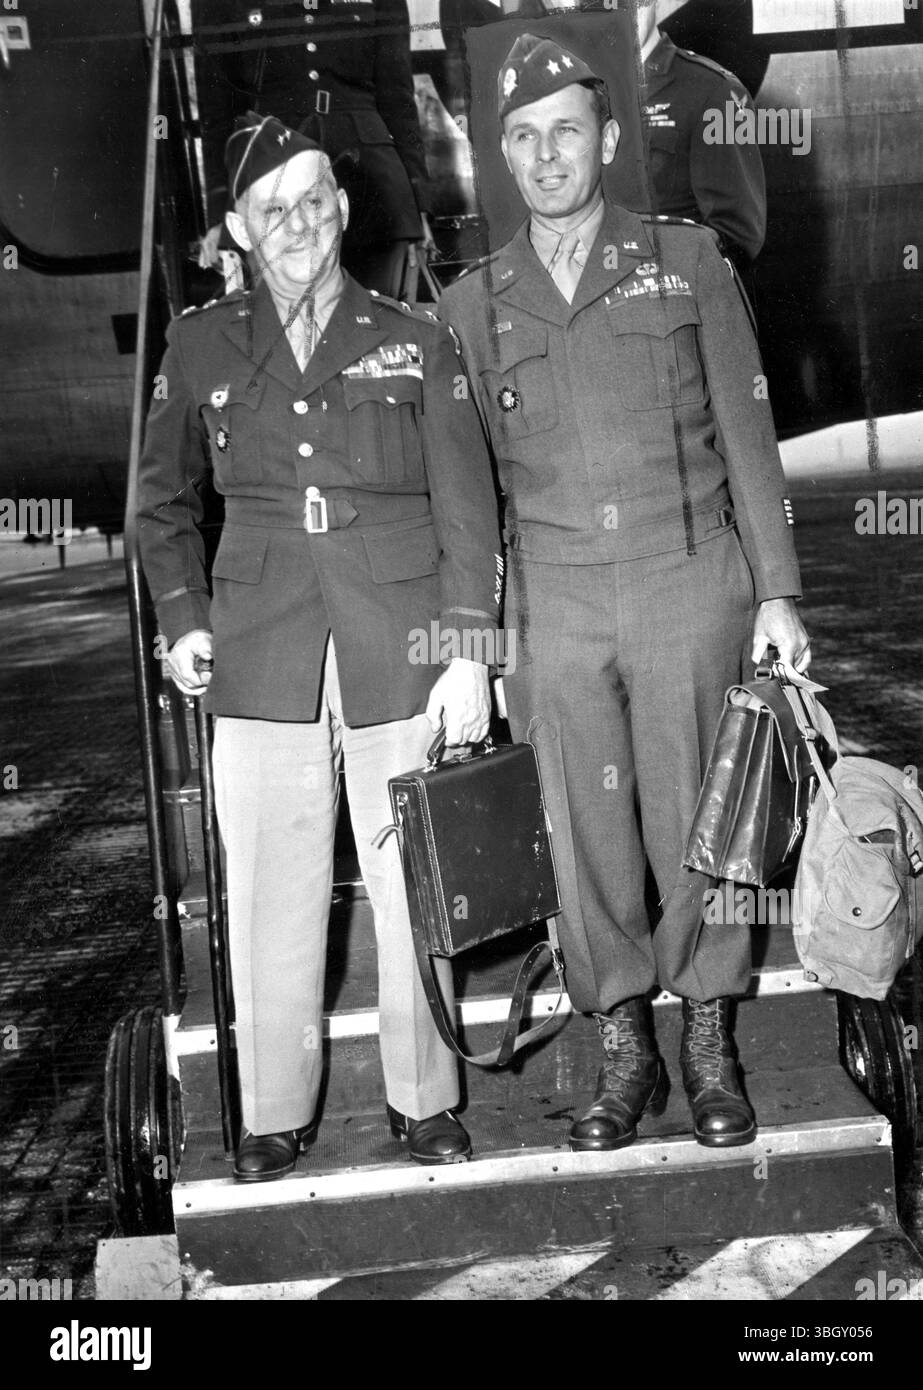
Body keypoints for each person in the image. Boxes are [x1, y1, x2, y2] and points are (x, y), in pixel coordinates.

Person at [439, 31, 810, 1154]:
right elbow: (465, 506)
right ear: (500, 154)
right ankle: (621, 1043)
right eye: (522, 136)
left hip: (684, 581)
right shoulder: (471, 305)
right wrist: (467, 650)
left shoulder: (685, 261)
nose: (546, 155)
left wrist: (777, 593)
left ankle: (706, 1036)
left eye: (566, 130)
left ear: (607, 140)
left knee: (702, 818)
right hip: (549, 609)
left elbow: (747, 433)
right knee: (580, 826)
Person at [137, 114, 502, 1179]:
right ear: (238, 232)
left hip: (400, 640)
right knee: (269, 887)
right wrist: (183, 617)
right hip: (260, 645)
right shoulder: (198, 344)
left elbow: (467, 507)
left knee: (411, 882)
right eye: (272, 210)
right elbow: (160, 503)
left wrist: (469, 653)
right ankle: (272, 1110)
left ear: (341, 207)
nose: (296, 223)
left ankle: (423, 1097)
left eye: (312, 200)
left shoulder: (416, 335)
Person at [194, 0, 435, 295]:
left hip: (373, 192)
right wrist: (219, 216)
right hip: (275, 183)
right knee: (292, 319)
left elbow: (398, 101)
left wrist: (418, 204)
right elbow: (217, 114)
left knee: (379, 317)